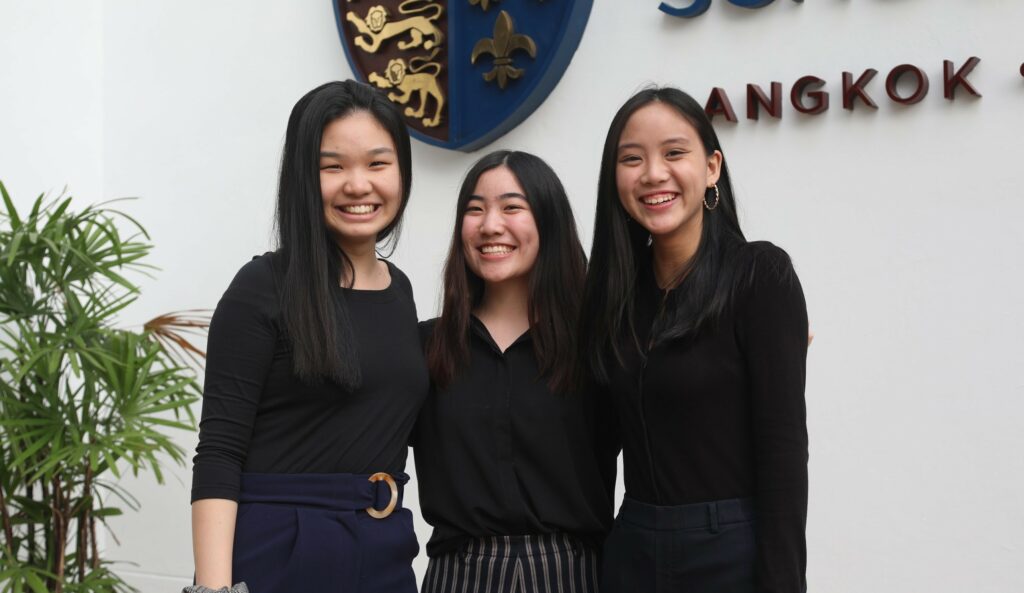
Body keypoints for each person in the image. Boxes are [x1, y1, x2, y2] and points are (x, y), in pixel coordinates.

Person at [189, 80, 427, 593]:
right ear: (302, 176)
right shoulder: (263, 286)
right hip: (282, 549)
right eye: (333, 166)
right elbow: (220, 451)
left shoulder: (400, 290)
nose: (358, 185)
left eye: (377, 164)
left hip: (384, 549)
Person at [580, 87, 809, 593]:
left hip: (730, 554)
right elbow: (596, 450)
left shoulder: (759, 275)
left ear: (711, 169)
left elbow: (784, 452)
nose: (653, 174)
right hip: (632, 553)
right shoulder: (614, 293)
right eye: (632, 158)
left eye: (674, 153)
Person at [414, 150, 615, 593]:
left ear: (549, 221)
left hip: (574, 572)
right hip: (458, 573)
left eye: (511, 206)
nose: (490, 225)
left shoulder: (598, 344)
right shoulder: (425, 346)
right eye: (475, 209)